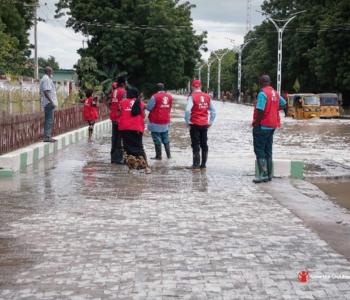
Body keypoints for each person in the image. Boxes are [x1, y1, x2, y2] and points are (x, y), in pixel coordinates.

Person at [252, 75, 286, 183]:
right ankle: (269, 174)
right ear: (269, 82)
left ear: (260, 82)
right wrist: (274, 110)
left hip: (263, 125)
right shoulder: (275, 93)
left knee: (259, 149)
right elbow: (284, 103)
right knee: (268, 149)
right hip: (273, 125)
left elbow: (260, 109)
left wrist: (257, 123)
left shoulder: (262, 94)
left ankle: (263, 174)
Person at [118, 87, 151, 174]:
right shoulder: (141, 103)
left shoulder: (122, 102)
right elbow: (143, 116)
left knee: (127, 149)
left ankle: (130, 169)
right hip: (137, 129)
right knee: (139, 147)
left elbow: (119, 114)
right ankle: (146, 168)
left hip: (124, 129)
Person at [185, 80, 216, 171]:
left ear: (192, 87)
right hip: (204, 124)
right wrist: (210, 122)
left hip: (194, 123)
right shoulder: (207, 96)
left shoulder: (192, 96)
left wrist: (187, 121)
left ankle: (196, 165)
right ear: (200, 86)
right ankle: (203, 165)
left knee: (195, 143)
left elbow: (187, 110)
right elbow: (213, 111)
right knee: (204, 143)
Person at [146, 83, 173, 160]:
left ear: (156, 89)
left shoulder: (154, 96)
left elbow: (148, 108)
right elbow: (170, 107)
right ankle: (169, 155)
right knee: (165, 137)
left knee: (157, 138)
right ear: (163, 88)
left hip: (156, 121)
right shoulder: (169, 97)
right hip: (166, 120)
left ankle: (159, 156)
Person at [106, 77, 127, 164]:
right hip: (120, 117)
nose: (126, 83)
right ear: (122, 84)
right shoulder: (123, 93)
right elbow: (124, 105)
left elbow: (108, 101)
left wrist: (112, 109)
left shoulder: (113, 92)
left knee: (114, 137)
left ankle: (113, 158)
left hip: (113, 117)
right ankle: (119, 159)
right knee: (120, 138)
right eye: (126, 82)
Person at [39, 66, 58, 142]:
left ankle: (47, 136)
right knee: (49, 120)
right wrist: (51, 102)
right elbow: (46, 91)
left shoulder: (44, 79)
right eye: (52, 71)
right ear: (49, 72)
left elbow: (41, 92)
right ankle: (47, 137)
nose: (52, 73)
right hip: (48, 103)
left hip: (46, 102)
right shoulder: (46, 79)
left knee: (48, 119)